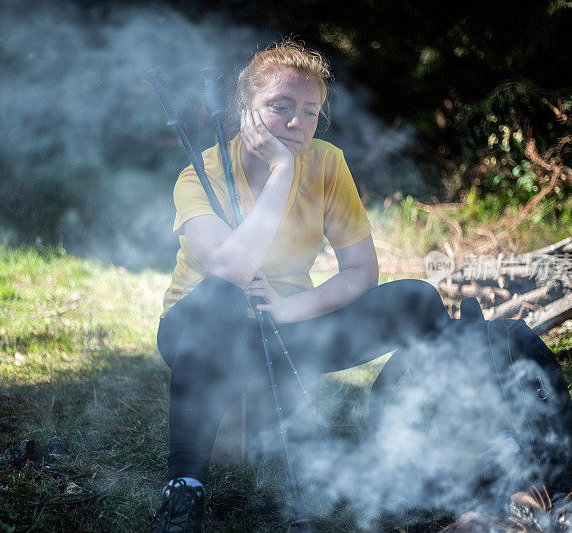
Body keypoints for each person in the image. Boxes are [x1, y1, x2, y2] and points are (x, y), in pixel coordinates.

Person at [154, 40, 452, 533]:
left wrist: (291, 311)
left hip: (288, 327)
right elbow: (232, 266)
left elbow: (361, 270)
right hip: (203, 335)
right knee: (224, 295)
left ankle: (413, 443)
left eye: (310, 112)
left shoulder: (327, 163)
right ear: (244, 110)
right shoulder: (200, 173)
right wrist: (281, 170)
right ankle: (184, 489)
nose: (297, 123)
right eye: (280, 107)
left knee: (418, 299)